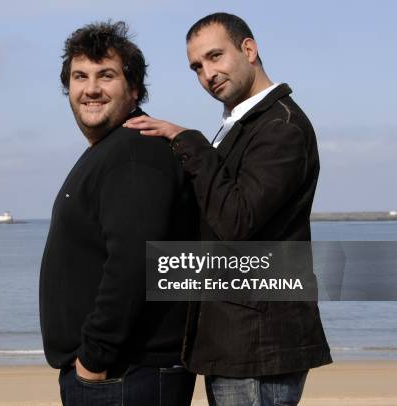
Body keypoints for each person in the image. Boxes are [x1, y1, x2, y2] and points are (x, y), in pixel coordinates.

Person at [124, 12, 332, 406]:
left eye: (215, 56)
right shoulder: (241, 124)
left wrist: (188, 139)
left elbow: (236, 221)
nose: (208, 73)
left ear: (249, 50)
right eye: (197, 67)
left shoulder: (280, 127)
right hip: (236, 342)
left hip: (258, 348)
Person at [39, 21, 196, 406]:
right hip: (120, 375)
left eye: (106, 75)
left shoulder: (134, 152)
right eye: (80, 76)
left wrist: (94, 358)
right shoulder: (111, 150)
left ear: (135, 89)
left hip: (127, 375)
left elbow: (134, 260)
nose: (91, 88)